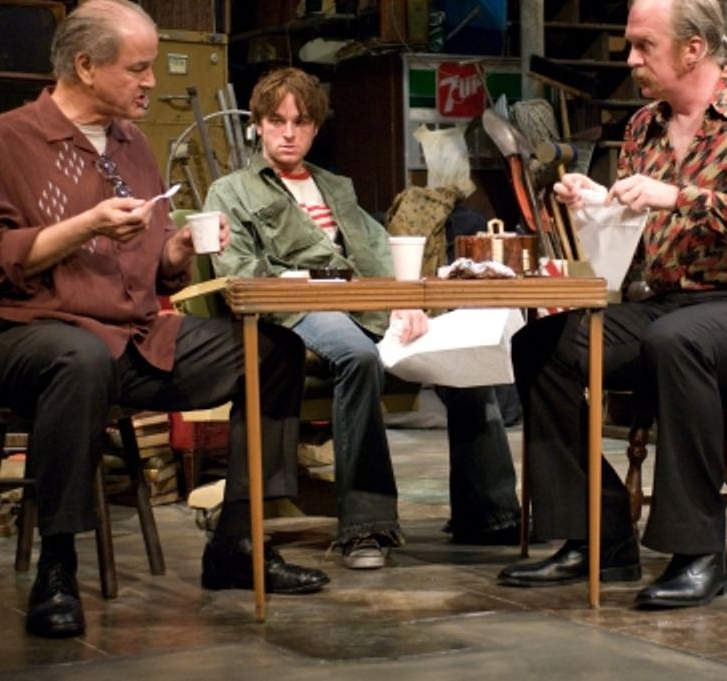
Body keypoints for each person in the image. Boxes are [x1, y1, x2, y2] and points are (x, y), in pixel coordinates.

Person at [0, 0, 329, 640]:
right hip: (31, 333)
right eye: (138, 68)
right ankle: (58, 567)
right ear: (85, 66)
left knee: (271, 352)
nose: (152, 81)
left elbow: (148, 271)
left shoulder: (130, 144)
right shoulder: (3, 141)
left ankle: (236, 543)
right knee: (80, 358)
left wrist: (176, 252)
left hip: (132, 337)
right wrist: (86, 225)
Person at [497, 0, 727, 608]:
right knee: (542, 345)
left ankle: (701, 552)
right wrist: (596, 207)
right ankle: (598, 534)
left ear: (693, 49)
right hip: (667, 303)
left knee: (677, 341)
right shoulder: (642, 127)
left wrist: (681, 197)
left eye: (643, 46)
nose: (631, 60)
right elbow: (635, 245)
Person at [204, 66, 522, 569]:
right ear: (258, 125)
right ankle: (366, 527)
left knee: (463, 354)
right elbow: (239, 272)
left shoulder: (335, 186)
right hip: (299, 310)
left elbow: (378, 252)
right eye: (278, 121)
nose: (289, 133)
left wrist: (407, 300)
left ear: (315, 128)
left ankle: (490, 513)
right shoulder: (233, 191)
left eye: (301, 122)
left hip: (366, 302)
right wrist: (304, 287)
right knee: (356, 357)